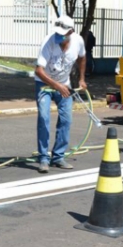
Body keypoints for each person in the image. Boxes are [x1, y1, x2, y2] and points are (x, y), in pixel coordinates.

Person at [34, 15, 86, 173]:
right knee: (44, 117)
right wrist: (57, 86)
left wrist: (82, 79)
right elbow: (38, 70)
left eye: (62, 34)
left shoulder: (78, 41)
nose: (58, 36)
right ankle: (43, 158)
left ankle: (58, 156)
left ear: (71, 32)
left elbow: (82, 58)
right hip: (44, 84)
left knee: (66, 120)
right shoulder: (48, 42)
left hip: (65, 84)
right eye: (57, 33)